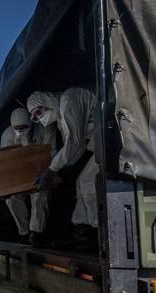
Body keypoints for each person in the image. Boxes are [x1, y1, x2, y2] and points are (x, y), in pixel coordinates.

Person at [26, 88, 98, 245]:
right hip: (99, 140)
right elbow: (73, 150)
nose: (38, 119)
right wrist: (60, 173)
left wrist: (51, 171)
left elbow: (74, 145)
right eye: (33, 117)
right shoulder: (60, 117)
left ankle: (98, 230)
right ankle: (83, 230)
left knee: (87, 181)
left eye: (38, 113)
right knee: (82, 182)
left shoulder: (68, 101)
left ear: (46, 103)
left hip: (110, 133)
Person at [0, 108, 56, 247]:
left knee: (40, 196)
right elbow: (6, 162)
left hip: (42, 172)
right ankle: (23, 233)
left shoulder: (44, 128)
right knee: (12, 200)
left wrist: (44, 173)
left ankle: (36, 233)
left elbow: (52, 152)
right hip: (18, 176)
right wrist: (8, 184)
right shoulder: (7, 135)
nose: (20, 130)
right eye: (17, 128)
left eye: (24, 127)